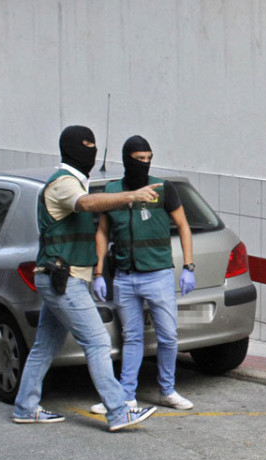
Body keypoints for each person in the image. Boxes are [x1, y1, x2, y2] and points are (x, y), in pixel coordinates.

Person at [12, 125, 160, 432]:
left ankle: (25, 407)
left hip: (62, 277)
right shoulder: (64, 184)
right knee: (97, 341)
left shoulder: (75, 181)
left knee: (44, 347)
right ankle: (118, 411)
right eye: (86, 146)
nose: (92, 152)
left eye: (94, 145)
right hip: (63, 279)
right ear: (70, 150)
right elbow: (87, 204)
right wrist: (129, 195)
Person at [89, 135, 196, 414]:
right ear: (127, 160)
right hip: (124, 277)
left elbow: (183, 226)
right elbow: (102, 231)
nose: (145, 164)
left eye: (149, 159)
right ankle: (126, 395)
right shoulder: (113, 191)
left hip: (158, 275)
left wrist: (188, 267)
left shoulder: (163, 189)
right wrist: (98, 272)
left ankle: (167, 390)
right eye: (139, 160)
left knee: (168, 336)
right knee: (132, 337)